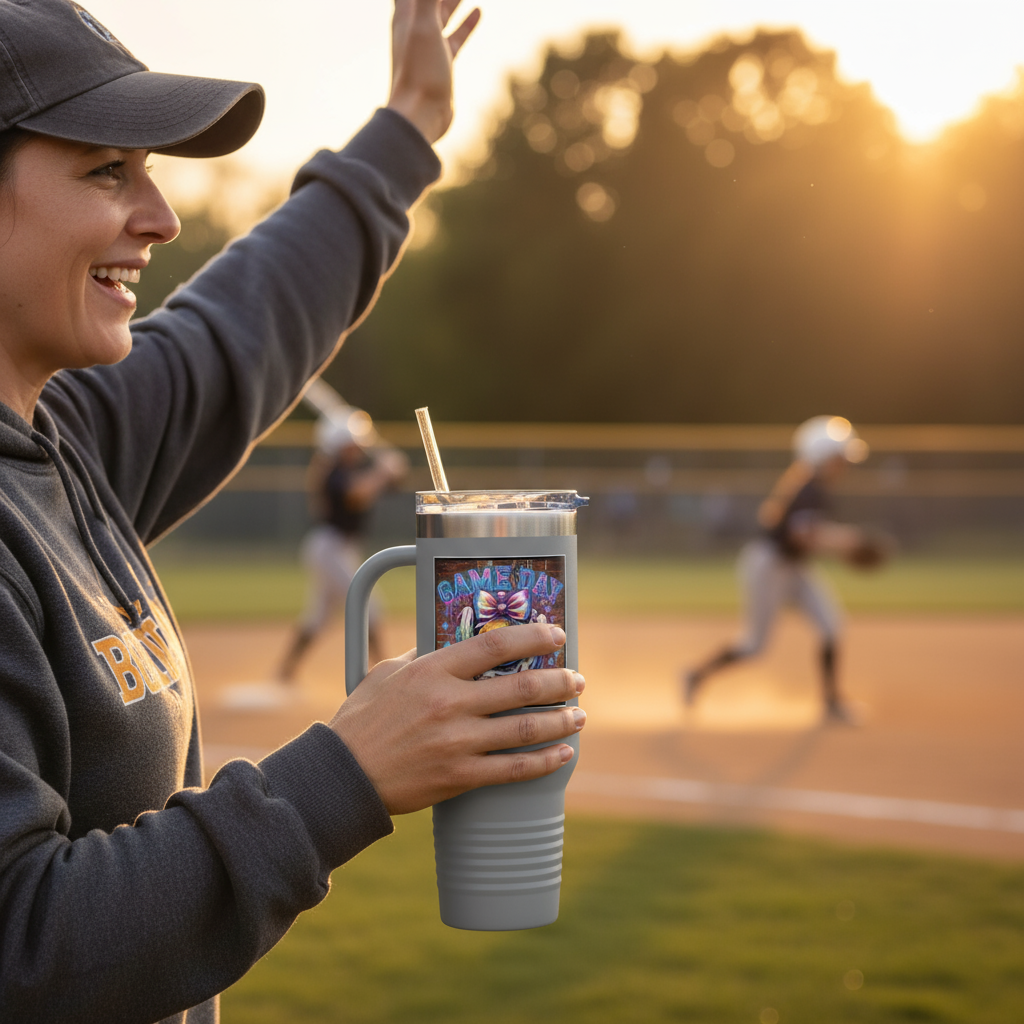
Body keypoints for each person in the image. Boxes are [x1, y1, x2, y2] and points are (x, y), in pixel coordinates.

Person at [0, 3, 586, 1022]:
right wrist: (341, 775)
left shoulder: (65, 436)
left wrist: (405, 128)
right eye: (107, 170)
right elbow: (25, 945)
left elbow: (244, 324)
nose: (162, 215)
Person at [682, 416, 888, 725]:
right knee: (754, 646)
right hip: (768, 566)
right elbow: (800, 535)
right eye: (839, 458)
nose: (843, 465)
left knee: (832, 626)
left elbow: (807, 537)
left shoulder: (815, 488)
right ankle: (695, 676)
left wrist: (844, 541)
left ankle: (831, 704)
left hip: (794, 567)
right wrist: (849, 542)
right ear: (821, 457)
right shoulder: (809, 490)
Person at [276, 408, 409, 683]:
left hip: (338, 549)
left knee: (318, 617)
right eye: (352, 443)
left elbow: (394, 483)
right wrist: (384, 472)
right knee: (369, 606)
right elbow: (357, 494)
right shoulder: (333, 472)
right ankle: (385, 676)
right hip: (330, 548)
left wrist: (393, 470)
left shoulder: (347, 469)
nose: (358, 447)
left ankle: (285, 672)